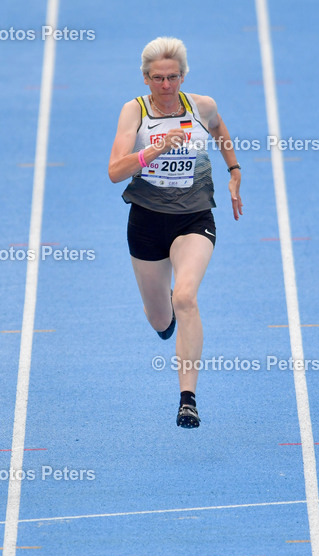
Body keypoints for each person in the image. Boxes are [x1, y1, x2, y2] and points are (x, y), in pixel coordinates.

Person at [108, 36, 243, 428]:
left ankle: (188, 399)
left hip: (194, 217)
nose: (166, 86)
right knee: (160, 319)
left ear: (183, 76)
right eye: (157, 79)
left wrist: (234, 171)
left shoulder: (202, 106)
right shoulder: (133, 113)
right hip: (147, 221)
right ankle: (164, 314)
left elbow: (219, 131)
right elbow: (115, 171)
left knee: (186, 297)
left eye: (172, 78)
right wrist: (154, 150)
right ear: (145, 79)